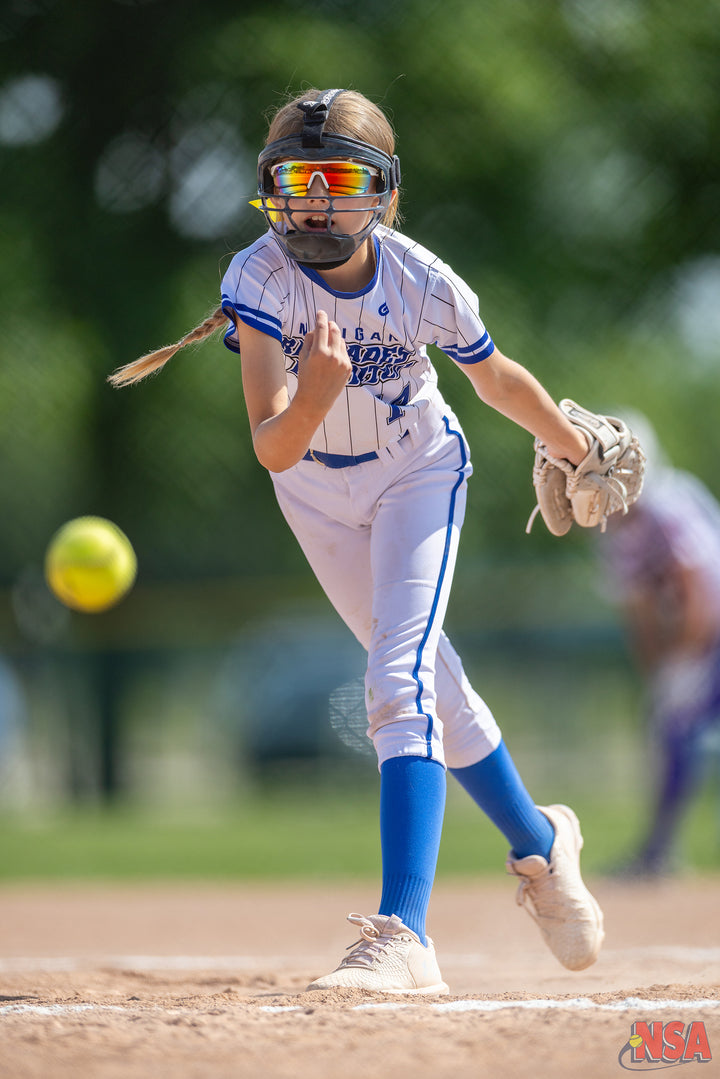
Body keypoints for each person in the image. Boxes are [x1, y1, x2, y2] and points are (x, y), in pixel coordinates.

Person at [110, 87, 605, 994]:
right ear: (271, 188)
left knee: (397, 677)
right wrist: (309, 396)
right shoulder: (258, 276)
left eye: (338, 179)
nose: (314, 199)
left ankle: (402, 934)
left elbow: (495, 381)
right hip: (313, 496)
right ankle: (541, 842)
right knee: (430, 684)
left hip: (417, 476)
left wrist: (575, 446)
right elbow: (271, 444)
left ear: (382, 191)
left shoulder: (421, 280)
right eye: (296, 179)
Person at [599, 416, 720, 878]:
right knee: (673, 733)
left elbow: (700, 589)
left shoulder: (669, 506)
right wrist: (660, 671)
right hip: (695, 639)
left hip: (710, 633)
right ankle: (658, 853)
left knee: (679, 730)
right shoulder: (616, 524)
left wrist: (688, 658)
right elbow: (640, 611)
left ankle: (657, 851)